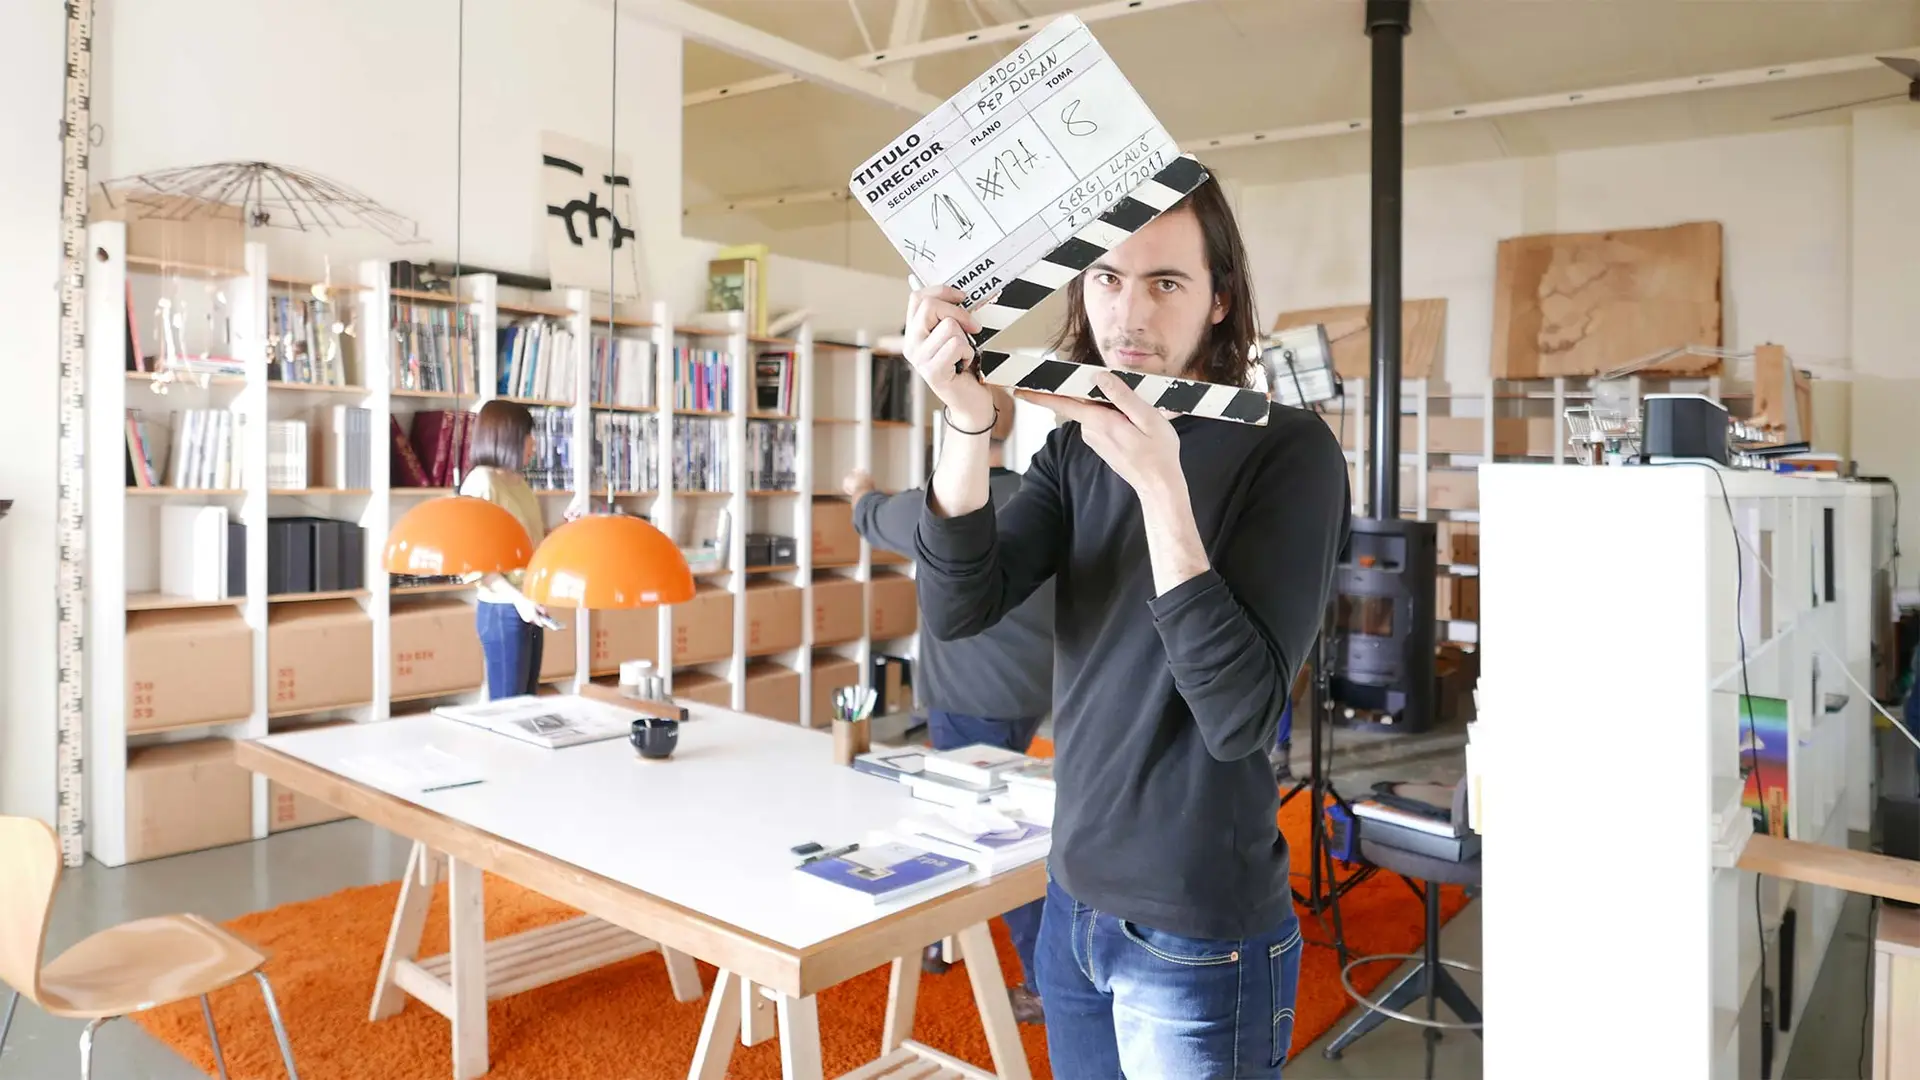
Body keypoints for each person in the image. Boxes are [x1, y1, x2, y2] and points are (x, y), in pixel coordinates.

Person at [902, 175, 1350, 1077]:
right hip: (1072, 897)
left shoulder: (1290, 447)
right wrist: (965, 421)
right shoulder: (1073, 443)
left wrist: (1160, 484)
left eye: (1166, 283)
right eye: (1105, 278)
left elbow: (1239, 716)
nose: (1129, 310)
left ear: (1219, 299)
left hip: (1198, 926)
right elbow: (960, 606)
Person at [840, 385, 1055, 1025]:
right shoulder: (1042, 499)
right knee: (996, 814)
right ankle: (941, 939)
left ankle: (1040, 981)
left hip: (968, 697)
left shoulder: (938, 506)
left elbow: (867, 514)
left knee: (992, 832)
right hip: (1033, 691)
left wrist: (860, 485)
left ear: (951, 425)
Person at [458, 400, 552, 700]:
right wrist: (519, 601)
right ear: (508, 436)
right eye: (527, 434)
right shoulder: (481, 483)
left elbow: (532, 545)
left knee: (527, 704)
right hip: (503, 609)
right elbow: (476, 563)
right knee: (508, 708)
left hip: (530, 605)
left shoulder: (519, 484)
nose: (533, 443)